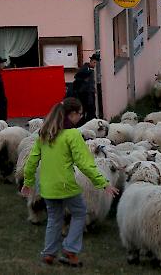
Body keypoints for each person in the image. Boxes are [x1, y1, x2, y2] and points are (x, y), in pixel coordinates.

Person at [21, 98, 119, 267]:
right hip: (66, 185)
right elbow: (85, 163)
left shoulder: (43, 134)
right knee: (80, 212)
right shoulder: (72, 134)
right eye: (80, 114)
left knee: (54, 218)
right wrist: (103, 183)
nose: (80, 118)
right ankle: (70, 250)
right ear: (71, 114)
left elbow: (32, 161)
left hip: (47, 186)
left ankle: (49, 254)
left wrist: (28, 182)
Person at [74, 53, 100, 123]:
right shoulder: (85, 68)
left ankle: (90, 121)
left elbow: (91, 82)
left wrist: (93, 89)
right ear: (91, 61)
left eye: (96, 63)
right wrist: (83, 80)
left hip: (89, 93)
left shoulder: (90, 70)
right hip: (84, 94)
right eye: (94, 62)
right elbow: (77, 77)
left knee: (91, 109)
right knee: (86, 109)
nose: (95, 65)